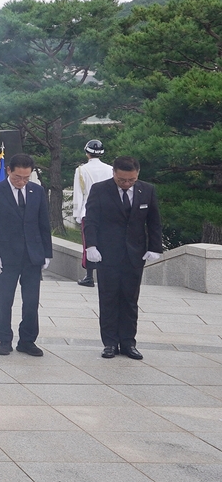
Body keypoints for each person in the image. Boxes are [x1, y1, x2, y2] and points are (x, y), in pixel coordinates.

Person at [83, 156, 163, 360]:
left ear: (137, 175)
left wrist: (155, 247)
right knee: (109, 298)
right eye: (122, 180)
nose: (126, 184)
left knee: (130, 299)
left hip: (134, 254)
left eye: (131, 180)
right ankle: (109, 342)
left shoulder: (147, 190)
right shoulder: (100, 189)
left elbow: (154, 221)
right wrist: (91, 246)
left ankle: (128, 342)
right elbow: (91, 220)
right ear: (114, 173)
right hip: (107, 253)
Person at [0, 152, 53, 357]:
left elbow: (43, 224)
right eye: (17, 177)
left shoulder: (37, 191)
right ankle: (4, 339)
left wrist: (46, 253)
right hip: (6, 255)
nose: (22, 181)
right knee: (6, 299)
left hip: (32, 255)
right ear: (8, 171)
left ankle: (27, 340)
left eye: (26, 177)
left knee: (31, 301)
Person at [73, 139, 113, 287]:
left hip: (88, 211)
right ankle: (107, 276)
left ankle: (89, 276)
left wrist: (77, 214)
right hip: (108, 211)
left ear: (87, 153)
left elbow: (79, 193)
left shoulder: (81, 170)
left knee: (89, 244)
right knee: (107, 243)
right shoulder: (110, 169)